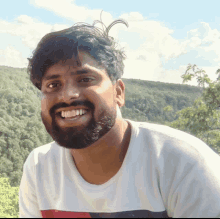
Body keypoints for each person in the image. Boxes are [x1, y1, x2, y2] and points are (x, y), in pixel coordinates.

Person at [19, 18, 220, 218]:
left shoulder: (184, 164)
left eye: (85, 79)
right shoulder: (39, 167)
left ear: (118, 92)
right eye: (53, 85)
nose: (67, 95)